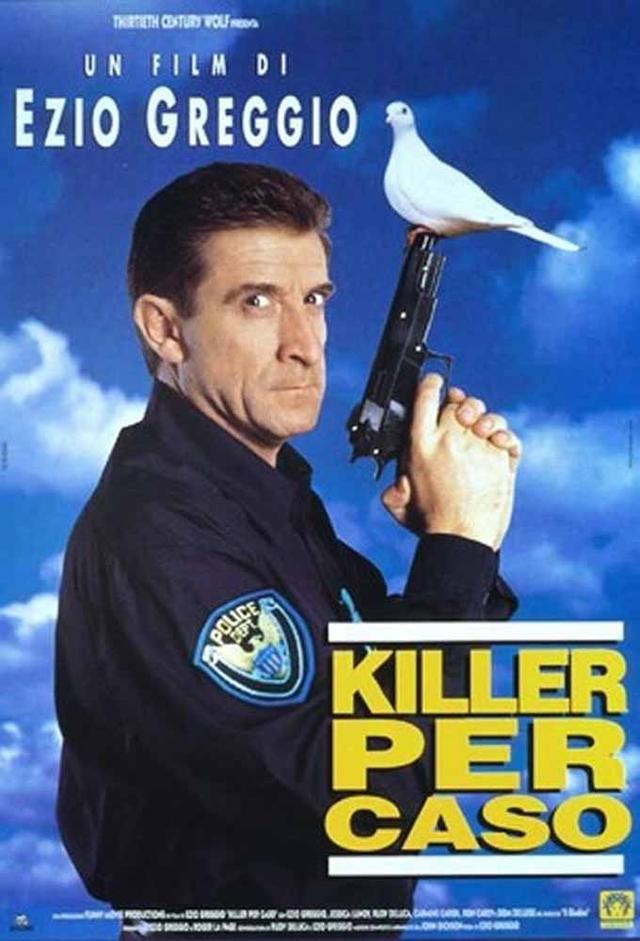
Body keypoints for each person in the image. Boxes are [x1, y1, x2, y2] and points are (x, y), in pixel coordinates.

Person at [55, 162, 520, 926]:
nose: (304, 345)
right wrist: (457, 548)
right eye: (257, 301)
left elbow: (372, 697)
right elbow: (363, 793)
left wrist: (458, 539)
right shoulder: (158, 533)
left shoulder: (263, 499)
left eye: (315, 299)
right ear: (166, 329)